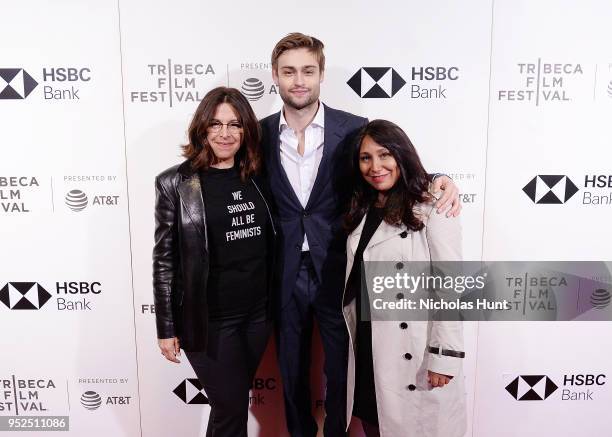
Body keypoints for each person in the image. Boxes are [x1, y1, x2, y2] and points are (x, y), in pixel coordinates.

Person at [259, 33, 462, 437]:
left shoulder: (353, 128)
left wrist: (439, 179)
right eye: (289, 71)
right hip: (282, 271)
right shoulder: (259, 133)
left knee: (343, 372)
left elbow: (391, 164)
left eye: (308, 71)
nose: (299, 80)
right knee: (291, 371)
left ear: (320, 75)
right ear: (275, 77)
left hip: (340, 267)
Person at [152, 87, 276, 437]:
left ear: (246, 130)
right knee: (231, 406)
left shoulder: (260, 175)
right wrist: (166, 326)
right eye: (216, 124)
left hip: (258, 315)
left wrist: (436, 180)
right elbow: (164, 258)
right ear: (202, 129)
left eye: (235, 124)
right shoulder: (175, 183)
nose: (225, 134)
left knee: (229, 408)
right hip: (209, 322)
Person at [342, 119, 467, 437]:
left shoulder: (432, 206)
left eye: (384, 155)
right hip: (371, 346)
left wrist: (445, 357)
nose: (375, 166)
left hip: (415, 353)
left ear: (401, 155)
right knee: (374, 424)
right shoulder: (363, 207)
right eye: (365, 158)